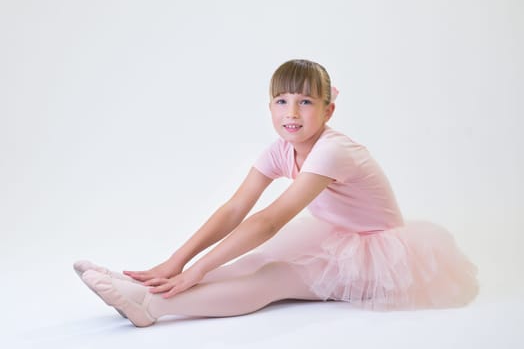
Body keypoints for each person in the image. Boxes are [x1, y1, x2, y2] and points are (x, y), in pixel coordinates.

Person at [74, 59, 478, 327]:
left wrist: (195, 271)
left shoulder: (333, 150)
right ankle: (147, 286)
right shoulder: (280, 150)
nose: (292, 113)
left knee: (273, 278)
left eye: (305, 102)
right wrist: (175, 262)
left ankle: (154, 307)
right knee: (250, 260)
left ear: (327, 111)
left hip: (375, 256)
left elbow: (269, 220)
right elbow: (235, 209)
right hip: (332, 233)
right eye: (282, 101)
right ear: (269, 108)